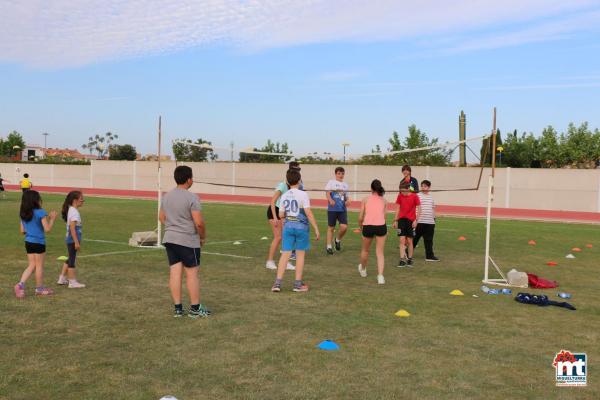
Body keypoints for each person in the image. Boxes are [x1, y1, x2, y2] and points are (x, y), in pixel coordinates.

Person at [159, 165, 211, 318]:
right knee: (192, 274)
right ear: (189, 179)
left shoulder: (166, 196)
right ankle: (195, 309)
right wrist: (202, 237)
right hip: (188, 240)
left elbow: (161, 217)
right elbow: (199, 223)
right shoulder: (192, 197)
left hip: (170, 239)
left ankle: (178, 309)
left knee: (175, 273)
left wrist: (173, 227)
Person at [271, 169, 320, 292]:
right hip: (301, 227)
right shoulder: (303, 194)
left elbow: (281, 214)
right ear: (299, 180)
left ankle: (277, 284)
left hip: (288, 227)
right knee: (300, 255)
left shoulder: (284, 195)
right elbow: (308, 213)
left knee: (285, 255)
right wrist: (316, 228)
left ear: (287, 181)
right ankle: (297, 285)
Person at [14, 190, 58, 298]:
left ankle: (20, 285)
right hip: (38, 242)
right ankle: (39, 289)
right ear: (35, 200)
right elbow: (47, 229)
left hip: (28, 242)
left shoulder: (23, 213)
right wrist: (52, 219)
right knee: (39, 266)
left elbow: (22, 231)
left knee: (32, 265)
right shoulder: (40, 212)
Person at [265, 162, 300, 270]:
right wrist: (275, 218)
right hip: (274, 212)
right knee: (278, 237)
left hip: (283, 213)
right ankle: (269, 261)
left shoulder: (293, 186)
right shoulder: (282, 185)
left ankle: (286, 262)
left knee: (287, 238)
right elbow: (272, 201)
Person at [357, 179, 387, 284]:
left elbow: (360, 217)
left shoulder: (365, 199)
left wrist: (361, 227)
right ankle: (380, 277)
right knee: (380, 253)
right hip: (381, 227)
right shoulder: (384, 200)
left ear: (371, 188)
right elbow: (385, 216)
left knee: (365, 250)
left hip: (368, 227)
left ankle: (363, 270)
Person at [57, 191, 86, 288]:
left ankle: (62, 278)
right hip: (72, 239)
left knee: (70, 257)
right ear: (75, 200)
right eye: (81, 198)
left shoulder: (72, 210)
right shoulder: (74, 212)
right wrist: (76, 242)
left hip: (70, 239)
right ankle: (72, 282)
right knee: (72, 260)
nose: (83, 200)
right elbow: (72, 228)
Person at [393, 181, 421, 268]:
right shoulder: (400, 196)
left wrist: (416, 220)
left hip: (411, 221)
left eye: (404, 191)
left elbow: (419, 208)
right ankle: (402, 260)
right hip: (401, 220)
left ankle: (410, 259)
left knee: (409, 241)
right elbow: (397, 208)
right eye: (401, 191)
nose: (402, 193)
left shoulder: (415, 196)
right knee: (401, 240)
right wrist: (395, 220)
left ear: (408, 189)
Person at [324, 166, 350, 254]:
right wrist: (330, 200)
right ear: (336, 174)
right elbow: (327, 193)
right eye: (339, 173)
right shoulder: (331, 182)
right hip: (332, 209)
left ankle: (337, 239)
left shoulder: (345, 185)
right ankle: (329, 246)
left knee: (344, 227)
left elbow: (346, 197)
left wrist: (348, 201)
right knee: (331, 227)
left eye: (342, 173)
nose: (341, 175)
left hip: (342, 209)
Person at [414, 180, 440, 262]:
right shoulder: (417, 195)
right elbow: (414, 208)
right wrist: (414, 219)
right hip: (419, 222)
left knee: (429, 240)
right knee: (415, 239)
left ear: (429, 187)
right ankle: (407, 253)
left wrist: (434, 218)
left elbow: (433, 209)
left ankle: (429, 256)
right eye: (422, 186)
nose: (423, 187)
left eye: (425, 186)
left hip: (430, 222)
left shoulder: (431, 197)